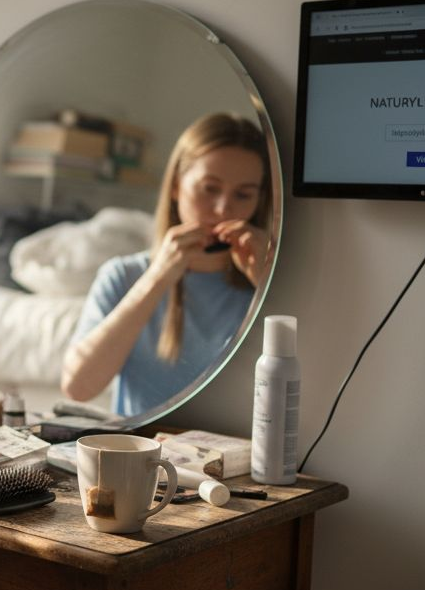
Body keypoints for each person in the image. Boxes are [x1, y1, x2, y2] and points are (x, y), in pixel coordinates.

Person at [61, 112, 273, 417]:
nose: (224, 208)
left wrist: (266, 284)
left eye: (243, 194)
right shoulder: (123, 276)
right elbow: (77, 387)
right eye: (209, 188)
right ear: (176, 186)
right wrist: (157, 277)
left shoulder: (268, 282)